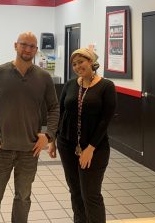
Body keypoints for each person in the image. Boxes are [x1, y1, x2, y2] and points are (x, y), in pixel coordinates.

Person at [0, 31, 59, 223]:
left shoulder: (44, 77)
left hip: (30, 150)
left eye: (32, 46)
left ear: (36, 50)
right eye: (24, 44)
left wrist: (49, 135)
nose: (28, 49)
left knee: (23, 199)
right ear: (15, 46)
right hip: (0, 148)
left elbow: (54, 107)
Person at [48, 48, 116, 223]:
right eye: (74, 64)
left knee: (91, 194)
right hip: (67, 144)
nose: (78, 66)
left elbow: (105, 120)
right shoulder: (71, 85)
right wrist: (53, 140)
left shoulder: (106, 86)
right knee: (76, 191)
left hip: (95, 147)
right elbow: (60, 112)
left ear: (91, 62)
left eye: (81, 62)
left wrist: (90, 148)